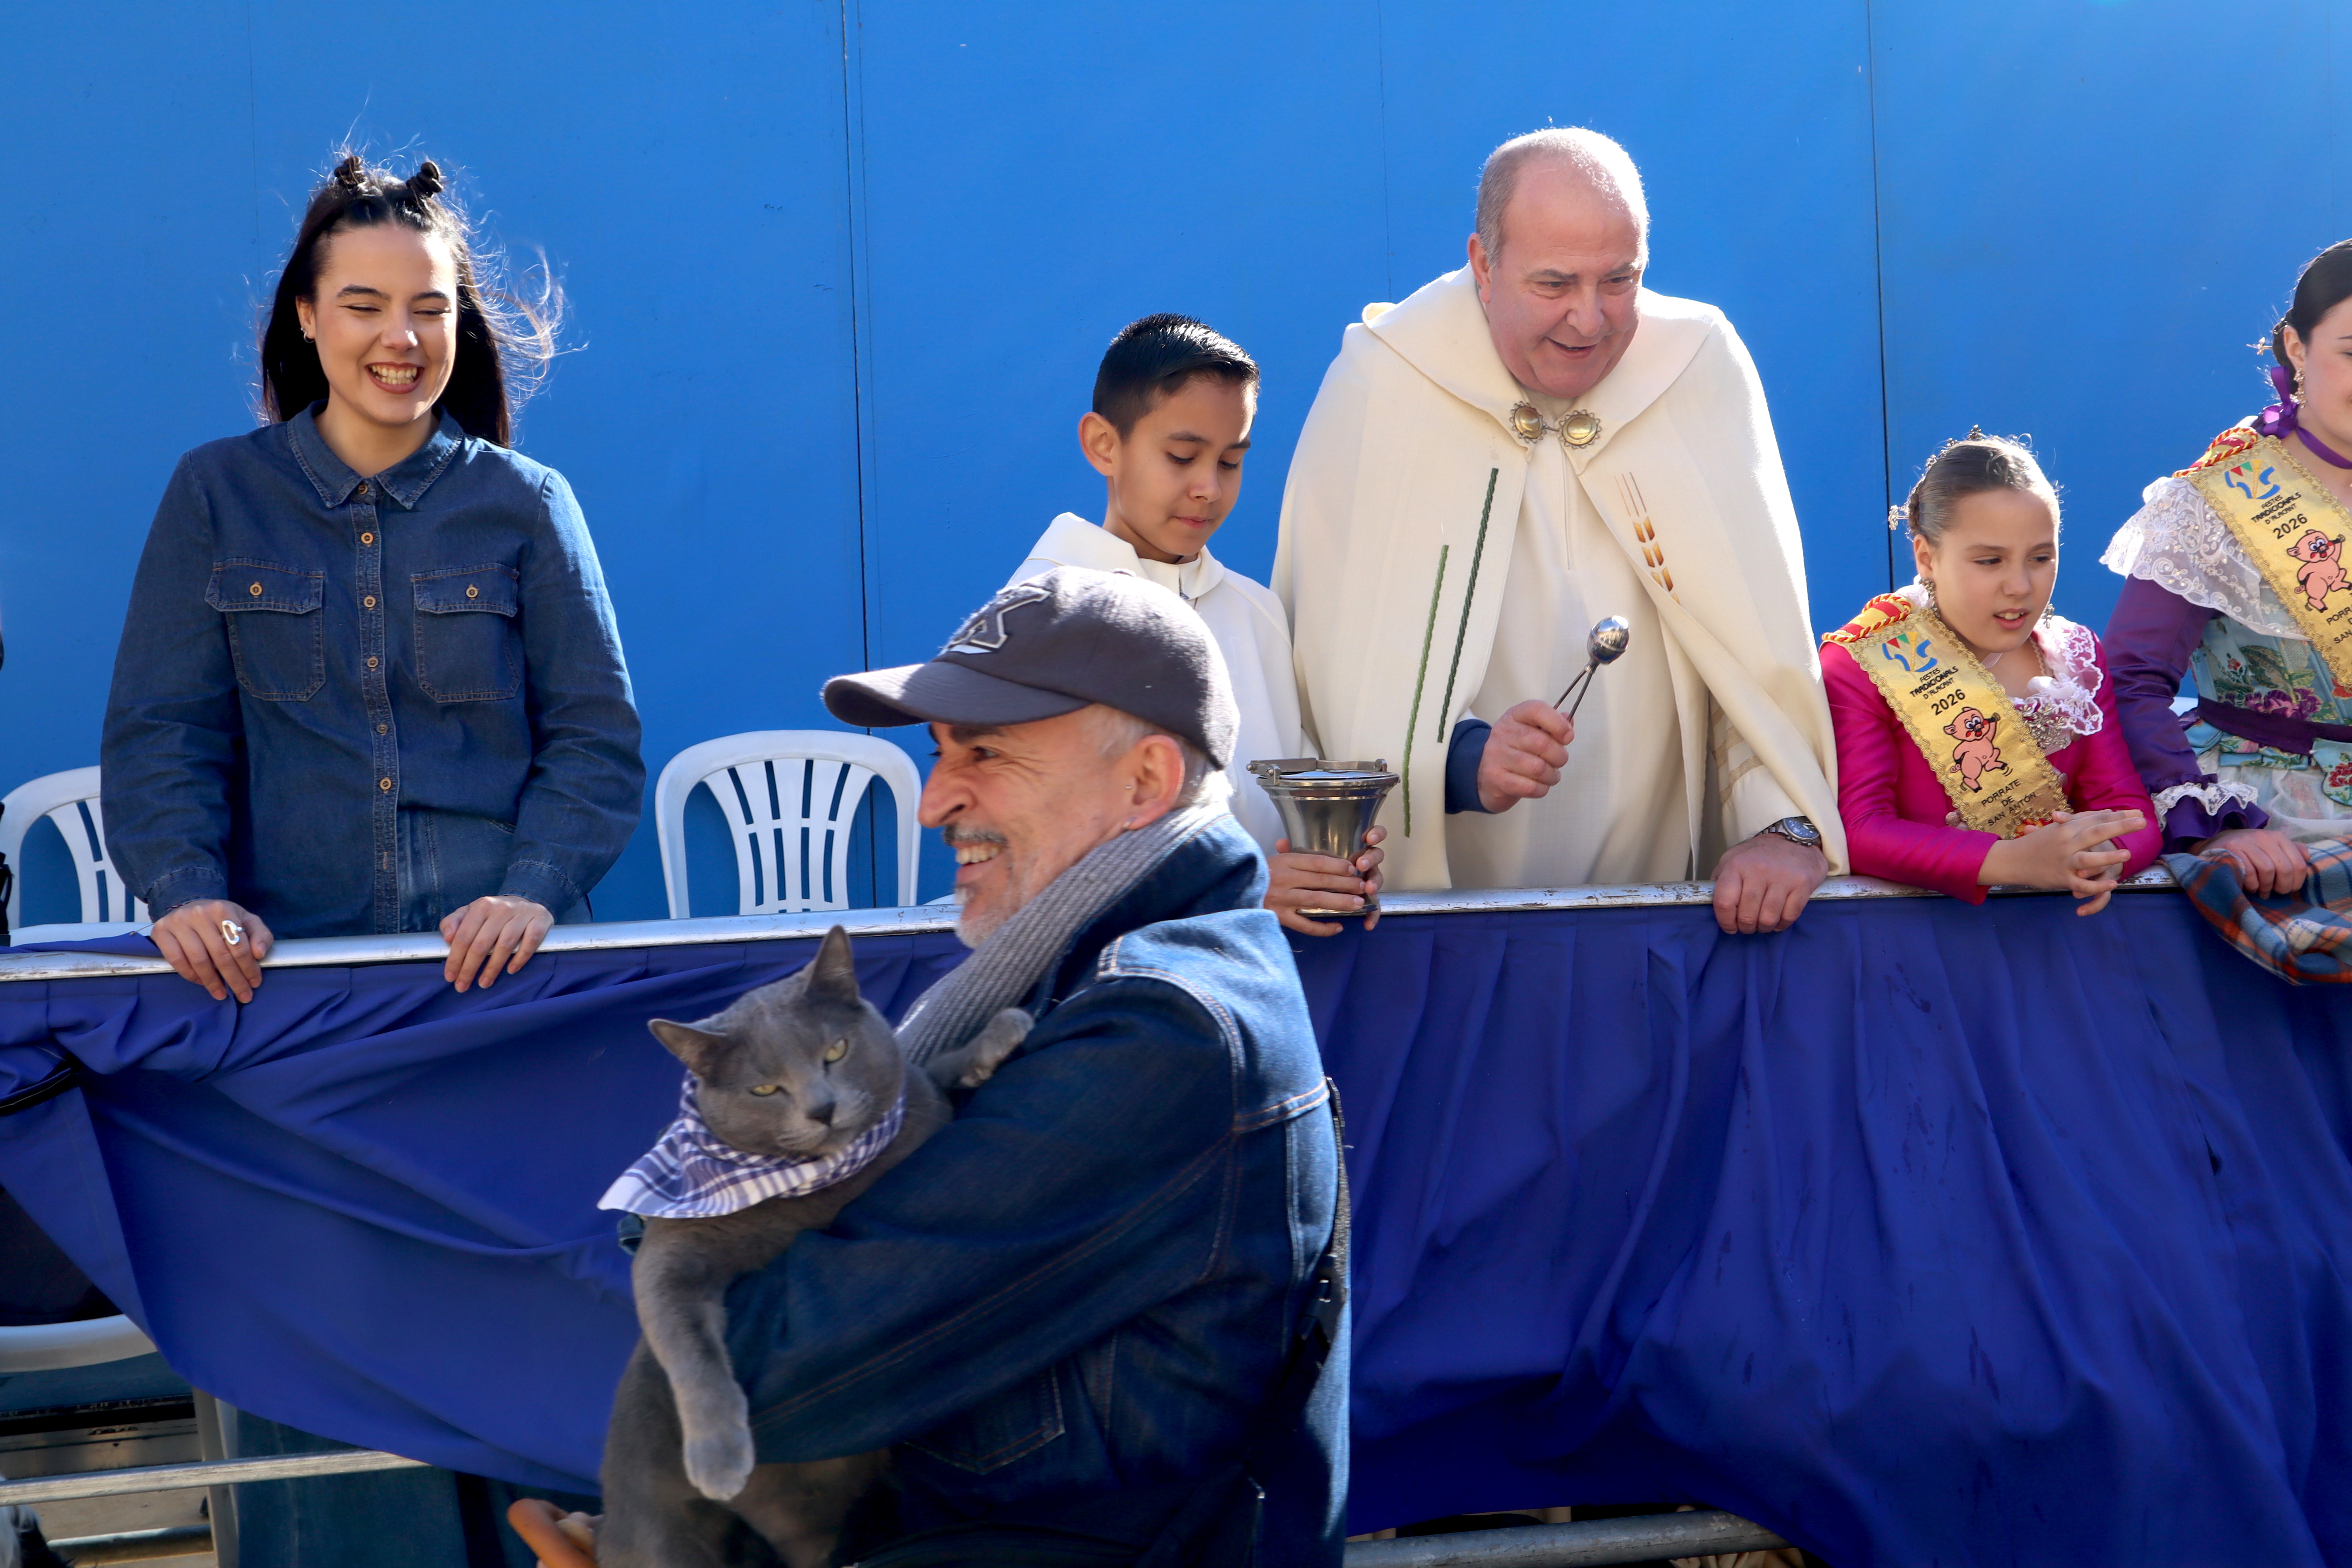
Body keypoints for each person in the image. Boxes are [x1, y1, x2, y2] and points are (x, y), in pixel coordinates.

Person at [713, 567, 1345, 1564]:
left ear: (1145, 782)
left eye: (987, 753)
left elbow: (758, 1369)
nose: (933, 803)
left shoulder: (1161, 1030)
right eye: (938, 752)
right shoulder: (1120, 980)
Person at [100, 153, 643, 1002]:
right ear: (308, 318)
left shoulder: (529, 502)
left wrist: (532, 889)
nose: (405, 339)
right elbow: (164, 732)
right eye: (365, 307)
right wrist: (188, 893)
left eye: (432, 310)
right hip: (280, 979)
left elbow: (595, 741)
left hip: (502, 976)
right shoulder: (216, 493)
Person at [1274, 127, 1843, 935]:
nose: (1590, 318)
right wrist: (1462, 761)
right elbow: (1337, 667)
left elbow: (1754, 650)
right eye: (1553, 283)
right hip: (1439, 938)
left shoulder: (1697, 364)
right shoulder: (1385, 381)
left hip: (1670, 920)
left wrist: (1783, 824)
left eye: (1621, 279)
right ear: (1482, 262)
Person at [1007, 312, 1384, 936]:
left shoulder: (1257, 614)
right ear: (1104, 444)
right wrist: (1240, 891)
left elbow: (1287, 806)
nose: (1208, 488)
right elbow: (1031, 860)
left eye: (1232, 461)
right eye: (1182, 457)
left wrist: (1335, 862)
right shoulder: (1038, 615)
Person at [2102, 240, 2352, 898]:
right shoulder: (2222, 500)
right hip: (2281, 828)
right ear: (2297, 350)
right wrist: (2217, 825)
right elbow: (2130, 681)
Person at [1822, 435, 2156, 909]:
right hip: (1922, 937)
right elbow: (1860, 830)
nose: (2020, 586)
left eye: (2041, 558)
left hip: (2063, 925)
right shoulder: (1863, 661)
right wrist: (2012, 862)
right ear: (1926, 557)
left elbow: (2126, 806)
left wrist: (2102, 856)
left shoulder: (2075, 653)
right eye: (1990, 561)